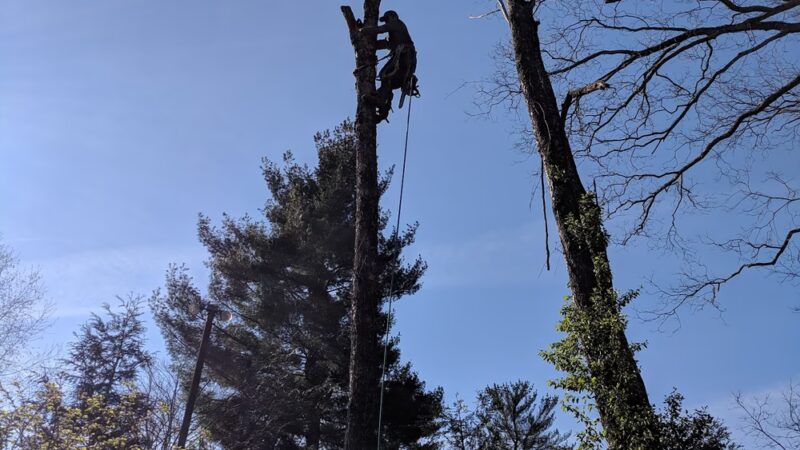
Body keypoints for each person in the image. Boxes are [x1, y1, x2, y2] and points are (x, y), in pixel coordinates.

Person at [360, 10, 417, 122]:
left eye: (387, 19)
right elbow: (385, 44)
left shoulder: (397, 24)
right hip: (406, 61)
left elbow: (381, 29)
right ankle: (383, 109)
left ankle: (379, 100)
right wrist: (369, 44)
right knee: (388, 83)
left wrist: (363, 31)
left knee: (384, 75)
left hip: (405, 57)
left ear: (393, 16)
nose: (387, 22)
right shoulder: (396, 36)